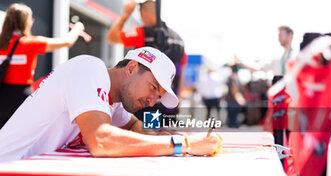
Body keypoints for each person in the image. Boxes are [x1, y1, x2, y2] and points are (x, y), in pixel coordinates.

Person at [0, 46, 222, 162]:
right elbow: (101, 141)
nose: (152, 101)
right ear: (132, 68)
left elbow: (137, 129)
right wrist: (184, 144)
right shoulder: (89, 68)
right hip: (8, 175)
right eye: (153, 88)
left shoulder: (114, 100)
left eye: (159, 96)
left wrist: (184, 138)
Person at [0, 3, 86, 128]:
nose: (32, 21)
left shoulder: (2, 44)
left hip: (2, 96)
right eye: (30, 18)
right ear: (25, 22)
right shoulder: (31, 42)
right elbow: (67, 42)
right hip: (21, 97)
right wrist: (77, 29)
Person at [107, 0, 186, 121]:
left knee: (143, 137)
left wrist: (125, 15)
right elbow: (181, 74)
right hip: (168, 106)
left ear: (143, 13)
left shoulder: (142, 33)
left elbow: (111, 37)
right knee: (163, 136)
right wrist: (177, 100)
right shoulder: (179, 39)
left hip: (142, 105)